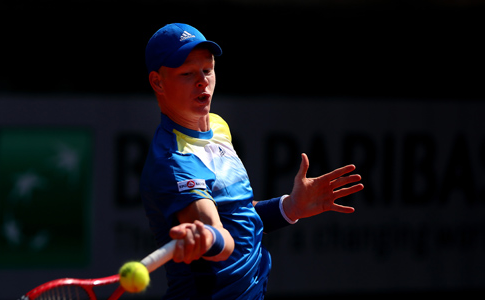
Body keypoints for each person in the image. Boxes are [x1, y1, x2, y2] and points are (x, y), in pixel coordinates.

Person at [140, 23, 364, 300]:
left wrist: (289, 207)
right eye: (187, 73)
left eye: (208, 70)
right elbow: (220, 238)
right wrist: (208, 236)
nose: (202, 81)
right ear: (157, 82)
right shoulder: (174, 161)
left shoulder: (218, 127)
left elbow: (237, 213)